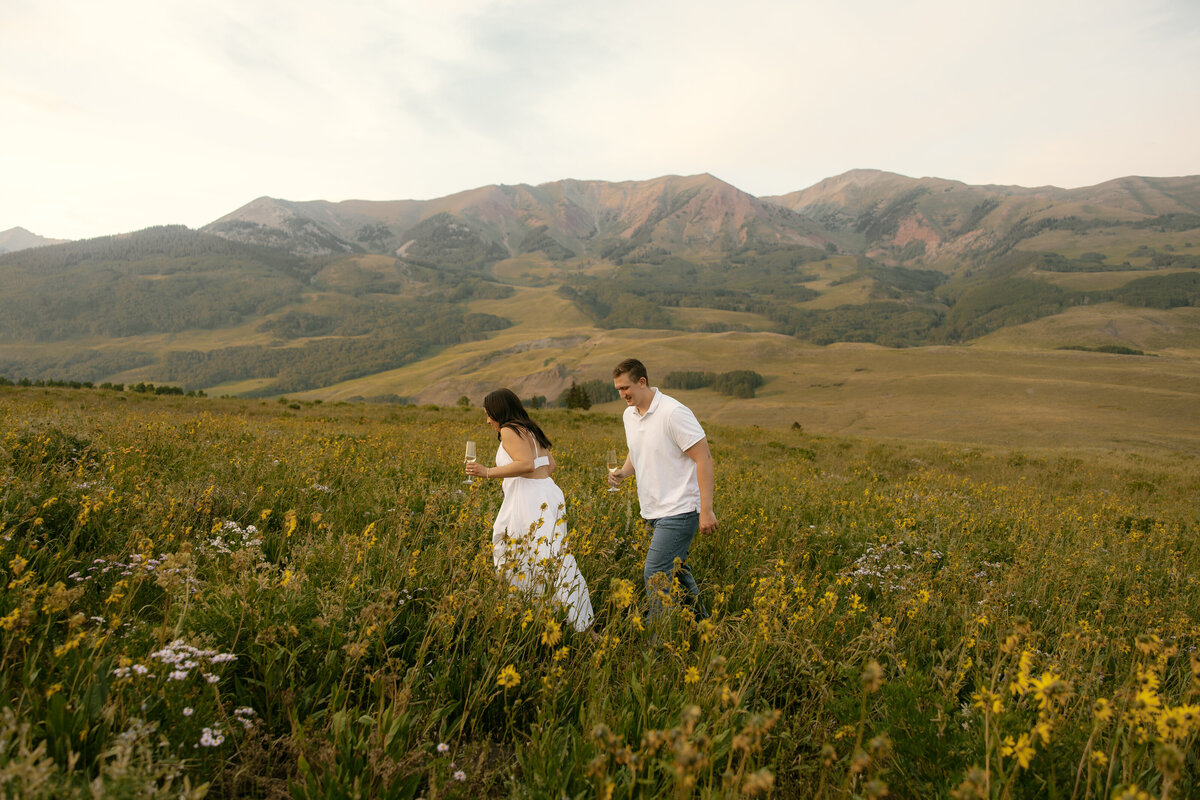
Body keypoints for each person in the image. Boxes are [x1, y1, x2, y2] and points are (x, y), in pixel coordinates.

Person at [465, 388, 594, 632]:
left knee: (541, 557)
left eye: (488, 414)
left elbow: (526, 464)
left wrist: (487, 472)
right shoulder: (530, 429)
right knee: (543, 555)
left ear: (499, 411)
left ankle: (580, 625)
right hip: (547, 493)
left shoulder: (508, 430)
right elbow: (549, 464)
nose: (487, 420)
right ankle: (545, 613)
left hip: (529, 499)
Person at [607, 358, 716, 620]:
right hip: (652, 509)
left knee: (655, 572)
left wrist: (706, 511)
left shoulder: (673, 412)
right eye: (618, 390)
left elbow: (704, 458)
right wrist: (623, 472)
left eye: (625, 388)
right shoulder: (629, 415)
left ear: (642, 382)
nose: (622, 395)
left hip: (680, 509)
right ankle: (703, 626)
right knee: (677, 570)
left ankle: (657, 643)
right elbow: (637, 451)